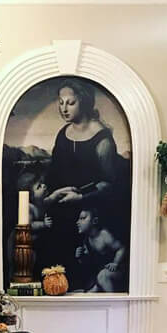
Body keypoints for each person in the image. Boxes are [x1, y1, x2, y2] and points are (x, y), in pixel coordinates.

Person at [42, 79, 121, 289]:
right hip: (61, 209)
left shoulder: (103, 140)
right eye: (60, 102)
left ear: (84, 102)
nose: (64, 108)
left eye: (70, 102)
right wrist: (54, 194)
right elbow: (54, 172)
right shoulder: (63, 133)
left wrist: (81, 197)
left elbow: (109, 184)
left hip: (88, 213)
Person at [74, 207, 127, 292]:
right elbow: (87, 263)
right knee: (87, 293)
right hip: (101, 275)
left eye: (83, 218)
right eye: (78, 219)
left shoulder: (104, 235)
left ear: (94, 221)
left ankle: (112, 302)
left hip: (117, 271)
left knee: (103, 276)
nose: (78, 222)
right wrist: (80, 257)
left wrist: (115, 263)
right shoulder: (87, 240)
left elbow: (121, 248)